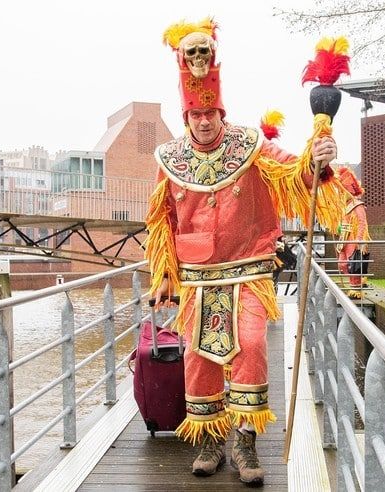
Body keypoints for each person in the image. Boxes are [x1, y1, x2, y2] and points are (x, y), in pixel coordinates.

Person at [145, 18, 344, 486]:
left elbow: (294, 176)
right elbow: (161, 222)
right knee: (199, 355)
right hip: (197, 277)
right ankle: (211, 439)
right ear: (187, 116)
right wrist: (165, 276)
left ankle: (246, 440)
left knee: (251, 347)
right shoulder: (169, 160)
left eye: (210, 113)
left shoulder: (250, 148)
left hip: (249, 269)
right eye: (196, 115)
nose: (205, 120)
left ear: (220, 110)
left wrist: (316, 162)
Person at [335, 166, 371, 299]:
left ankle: (356, 289)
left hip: (352, 238)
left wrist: (359, 239)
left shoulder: (357, 205)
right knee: (342, 264)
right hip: (344, 237)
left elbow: (362, 223)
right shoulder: (344, 207)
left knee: (353, 263)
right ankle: (355, 283)